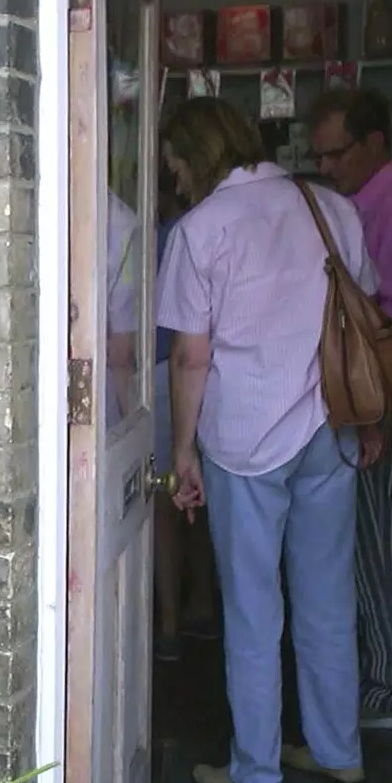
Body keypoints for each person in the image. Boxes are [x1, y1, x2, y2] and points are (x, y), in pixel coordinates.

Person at [157, 96, 377, 783]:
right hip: (328, 427)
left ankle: (258, 770)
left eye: (177, 167)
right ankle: (337, 748)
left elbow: (190, 357)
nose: (177, 181)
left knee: (253, 607)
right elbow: (366, 317)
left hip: (245, 436)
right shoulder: (330, 208)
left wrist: (181, 448)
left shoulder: (200, 229)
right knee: (326, 595)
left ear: (194, 157)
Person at [310, 89, 392, 731]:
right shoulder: (366, 206)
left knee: (383, 544)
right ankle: (381, 677)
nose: (327, 167)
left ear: (374, 143)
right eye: (321, 156)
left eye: (336, 153)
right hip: (372, 396)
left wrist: (378, 413)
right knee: (369, 543)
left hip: (387, 394)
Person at [151, 172, 219, 662]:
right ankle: (201, 605)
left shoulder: (172, 234)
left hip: (164, 372)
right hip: (213, 376)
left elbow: (181, 348)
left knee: (167, 501)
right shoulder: (196, 229)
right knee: (202, 501)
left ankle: (169, 624)